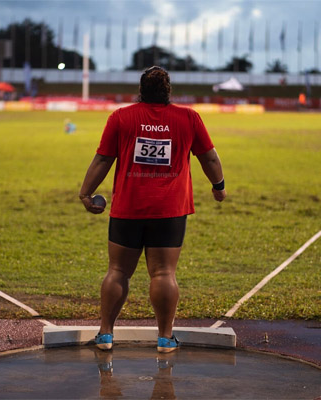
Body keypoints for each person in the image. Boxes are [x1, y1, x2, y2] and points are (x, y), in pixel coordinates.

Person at [79, 66, 226, 353]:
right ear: (168, 90)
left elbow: (102, 160)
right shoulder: (189, 117)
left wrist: (85, 193)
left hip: (127, 208)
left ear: (141, 90)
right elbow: (209, 157)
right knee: (163, 274)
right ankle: (165, 338)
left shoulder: (121, 117)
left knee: (118, 270)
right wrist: (218, 186)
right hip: (170, 210)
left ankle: (106, 335)